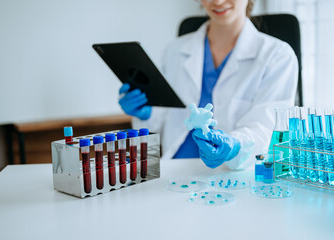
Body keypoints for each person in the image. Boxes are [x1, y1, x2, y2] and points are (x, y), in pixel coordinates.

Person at [118, 0, 298, 170]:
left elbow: (265, 128)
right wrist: (147, 112)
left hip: (233, 173)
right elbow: (161, 123)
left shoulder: (278, 56)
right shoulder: (174, 51)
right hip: (175, 170)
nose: (218, 1)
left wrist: (235, 147)